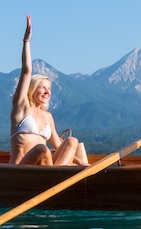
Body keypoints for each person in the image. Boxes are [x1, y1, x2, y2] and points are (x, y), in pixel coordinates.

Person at [10, 16, 89, 166]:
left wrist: (83, 165)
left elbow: (61, 148)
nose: (47, 92)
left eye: (49, 88)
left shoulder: (48, 117)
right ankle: (53, 177)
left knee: (71, 141)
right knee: (43, 149)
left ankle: (55, 178)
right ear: (32, 89)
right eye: (43, 87)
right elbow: (26, 71)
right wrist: (26, 41)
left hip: (46, 170)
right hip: (19, 172)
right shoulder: (21, 109)